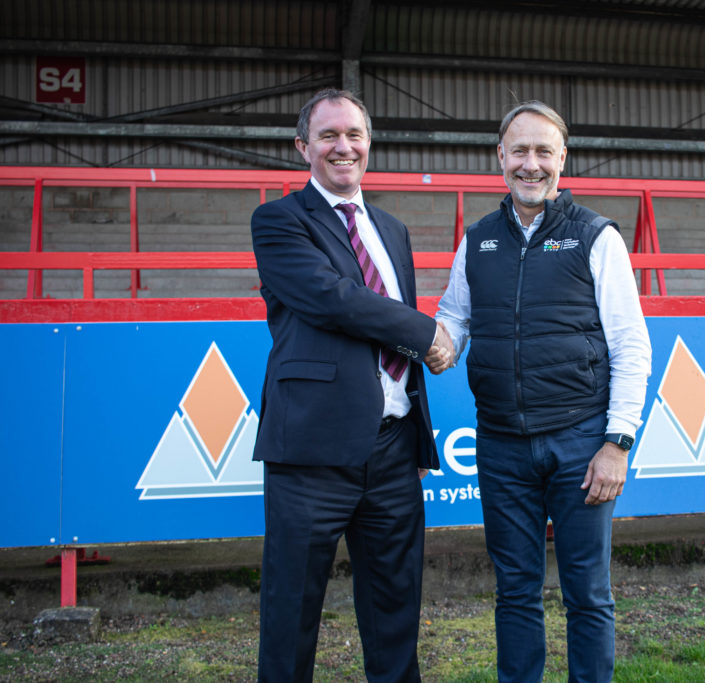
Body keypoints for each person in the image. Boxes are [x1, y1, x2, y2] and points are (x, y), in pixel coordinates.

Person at [428, 101, 652, 682]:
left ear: (562, 160)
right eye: (519, 151)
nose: (531, 164)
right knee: (515, 592)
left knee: (588, 593)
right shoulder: (476, 240)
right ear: (500, 157)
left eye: (543, 152)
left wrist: (617, 443)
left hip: (580, 443)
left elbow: (631, 345)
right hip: (501, 446)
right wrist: (441, 343)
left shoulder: (595, 237)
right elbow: (455, 315)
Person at [250, 88, 453, 682]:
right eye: (329, 135)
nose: (344, 147)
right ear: (303, 147)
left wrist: (416, 430)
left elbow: (389, 337)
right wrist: (427, 332)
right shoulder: (279, 220)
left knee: (396, 610)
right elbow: (333, 300)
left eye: (354, 135)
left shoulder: (392, 229)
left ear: (369, 144)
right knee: (291, 615)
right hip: (311, 449)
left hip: (392, 453)